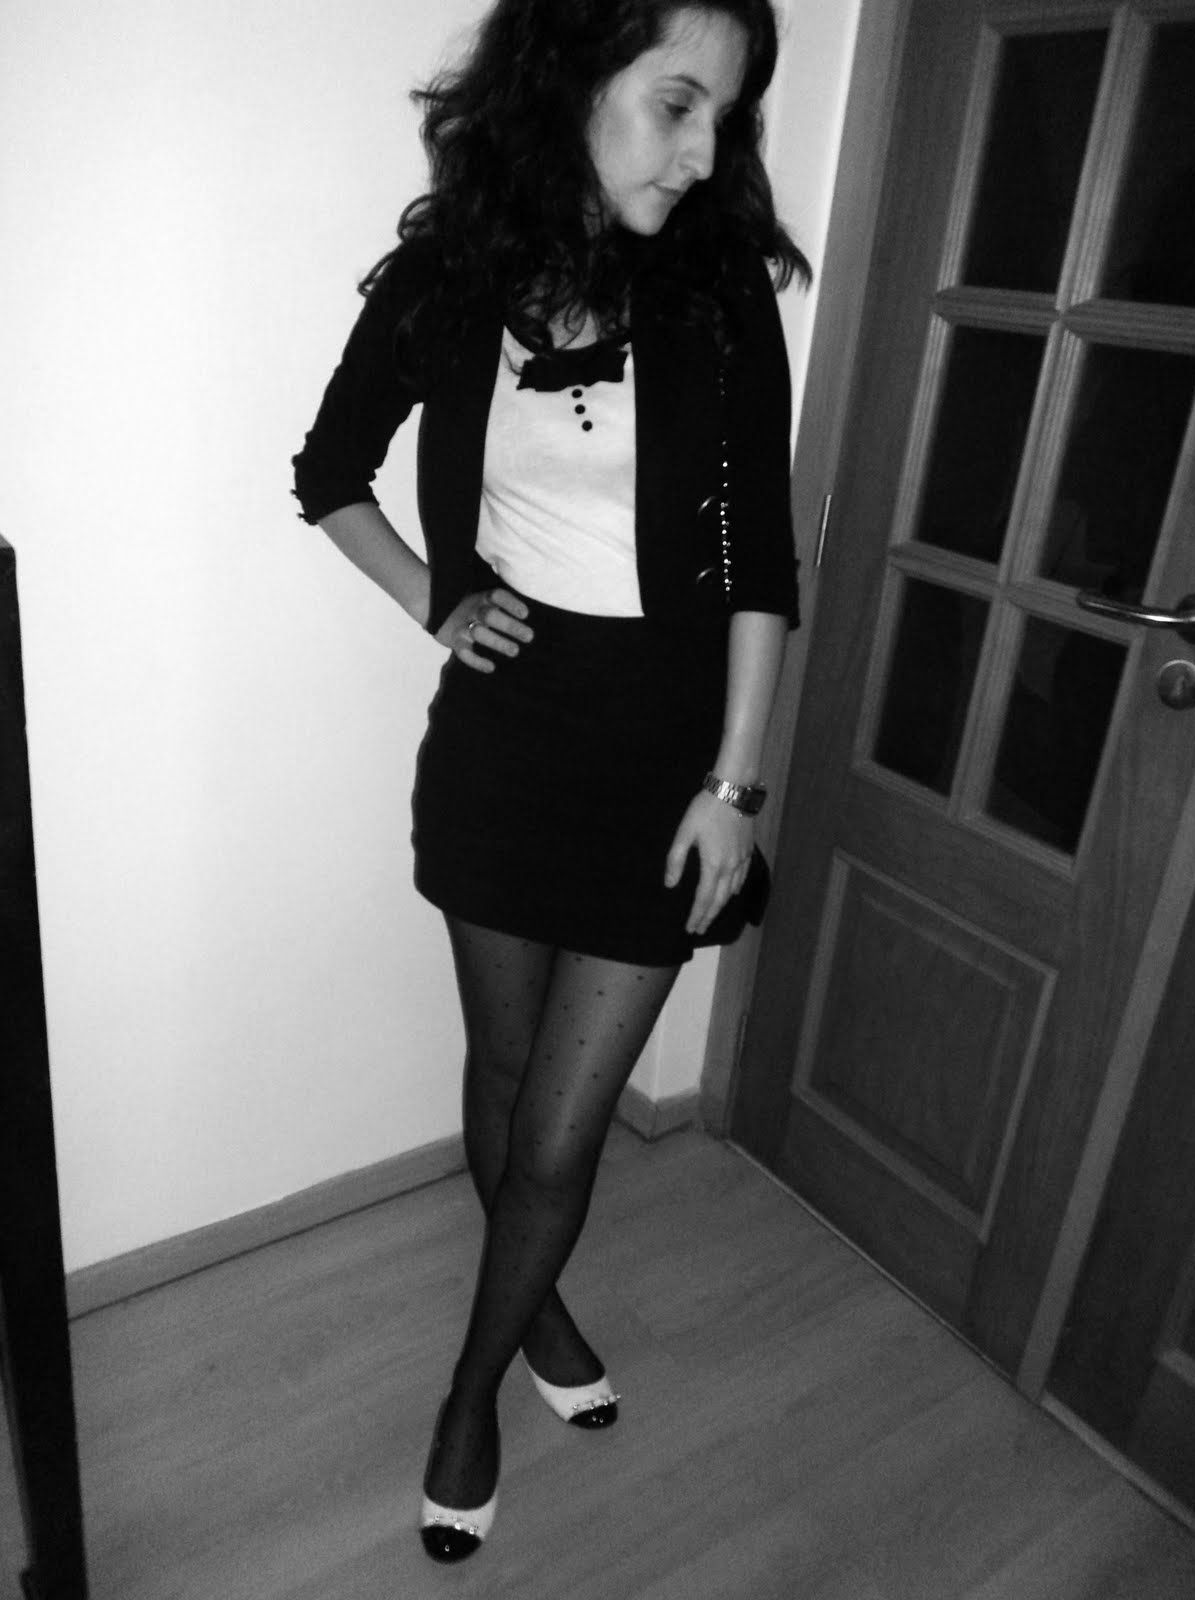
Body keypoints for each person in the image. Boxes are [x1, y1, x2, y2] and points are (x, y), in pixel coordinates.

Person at [292, 0, 808, 1562]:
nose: (705, 151)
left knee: (563, 1136)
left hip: (666, 760)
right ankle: (539, 1310)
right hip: (505, 746)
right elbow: (328, 473)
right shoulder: (452, 279)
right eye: (677, 103)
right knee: (508, 1078)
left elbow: (760, 558)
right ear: (575, 81)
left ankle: (470, 1394)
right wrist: (438, 601)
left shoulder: (716, 291)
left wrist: (737, 788)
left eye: (727, 116)